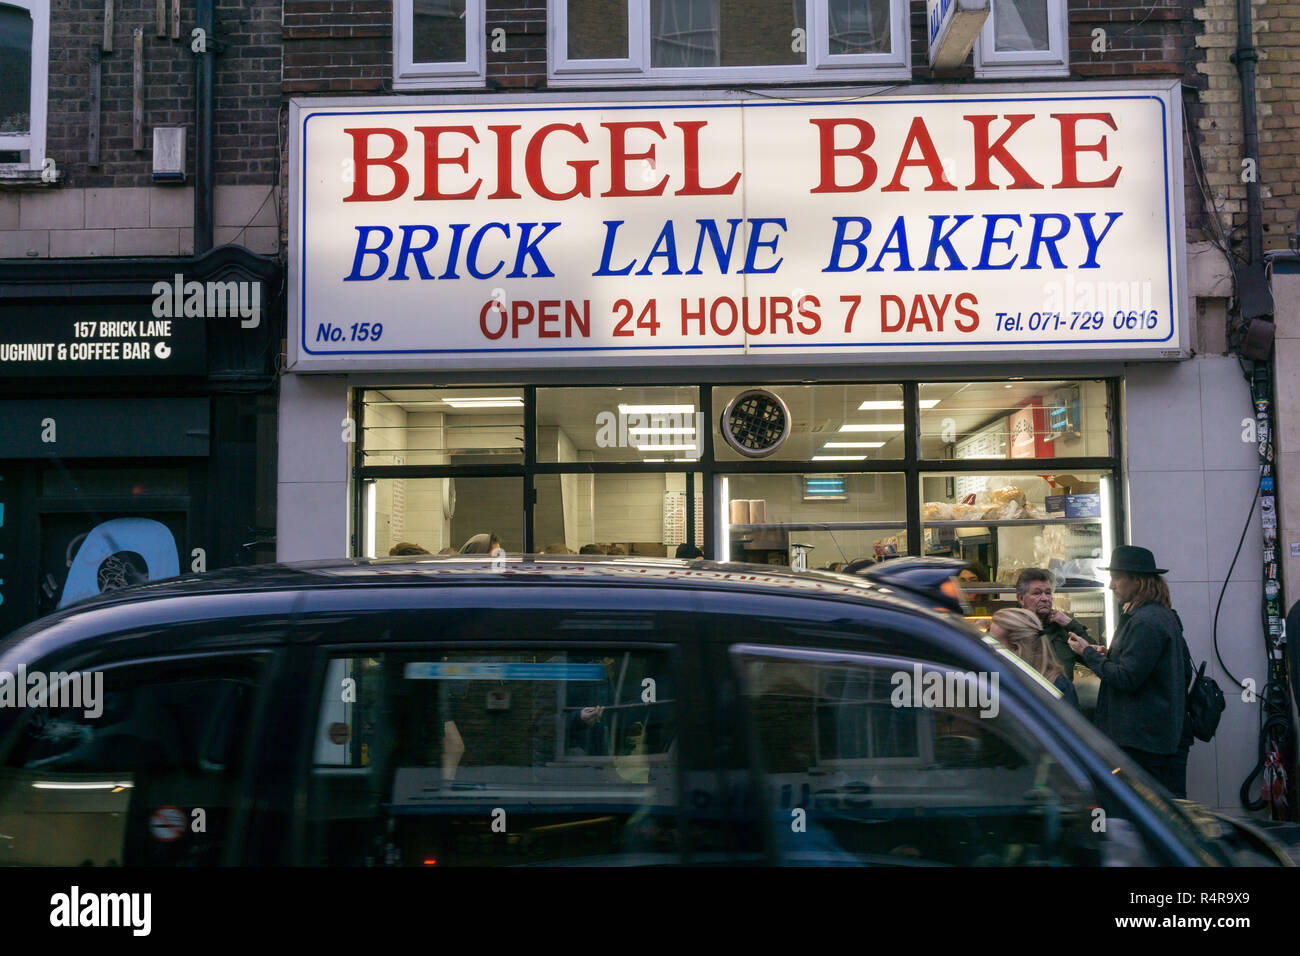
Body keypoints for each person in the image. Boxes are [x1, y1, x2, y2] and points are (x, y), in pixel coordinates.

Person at [1067, 546, 1192, 797]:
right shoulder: (1158, 616)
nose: (1112, 585)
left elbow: (1128, 678)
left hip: (1144, 743)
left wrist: (1087, 654)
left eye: (1116, 577)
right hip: (1155, 739)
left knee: (1151, 813)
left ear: (1136, 580)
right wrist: (1110, 656)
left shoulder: (1145, 621)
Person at [989, 608, 1079, 708]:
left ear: (1017, 648)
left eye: (995, 645)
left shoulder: (1058, 688)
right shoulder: (998, 681)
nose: (990, 650)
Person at [1016, 568, 1091, 676]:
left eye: (1048, 593)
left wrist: (1071, 624)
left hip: (1060, 692)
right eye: (1037, 593)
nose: (1045, 598)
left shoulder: (1063, 630)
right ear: (1021, 599)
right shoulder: (1008, 629)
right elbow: (989, 675)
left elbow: (1096, 657)